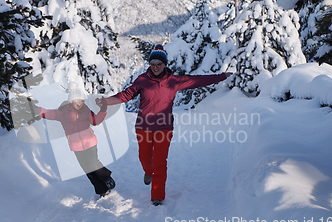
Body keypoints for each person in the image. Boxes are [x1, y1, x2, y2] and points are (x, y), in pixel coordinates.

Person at [96, 44, 232, 206]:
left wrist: (222, 76)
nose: (155, 67)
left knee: (160, 162)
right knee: (144, 158)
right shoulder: (142, 80)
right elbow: (126, 95)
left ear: (165, 64)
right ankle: (148, 172)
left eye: (158, 64)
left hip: (164, 128)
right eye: (152, 64)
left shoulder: (174, 81)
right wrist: (107, 101)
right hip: (143, 127)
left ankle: (157, 196)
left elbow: (198, 80)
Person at [29, 83, 115, 197]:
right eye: (77, 100)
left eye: (82, 100)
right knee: (88, 170)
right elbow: (49, 114)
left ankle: (106, 176)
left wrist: (103, 109)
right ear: (71, 101)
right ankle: (102, 190)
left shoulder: (86, 110)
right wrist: (37, 109)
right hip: (76, 146)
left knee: (93, 163)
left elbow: (96, 121)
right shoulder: (63, 112)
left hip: (90, 142)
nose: (80, 103)